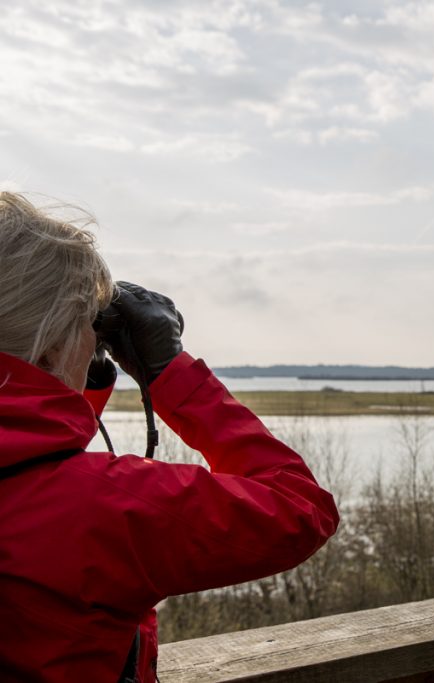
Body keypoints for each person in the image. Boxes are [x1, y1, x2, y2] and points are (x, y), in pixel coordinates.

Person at [0, 192, 341, 682]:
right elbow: (299, 507)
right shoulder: (107, 510)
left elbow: (29, 468)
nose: (95, 340)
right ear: (52, 350)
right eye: (86, 328)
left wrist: (82, 386)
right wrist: (171, 373)